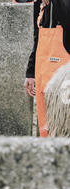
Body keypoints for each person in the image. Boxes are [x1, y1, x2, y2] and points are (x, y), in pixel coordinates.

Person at [24, 0, 70, 136]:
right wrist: (30, 72)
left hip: (65, 74)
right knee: (46, 122)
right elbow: (37, 37)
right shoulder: (39, 4)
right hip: (43, 71)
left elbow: (67, 19)